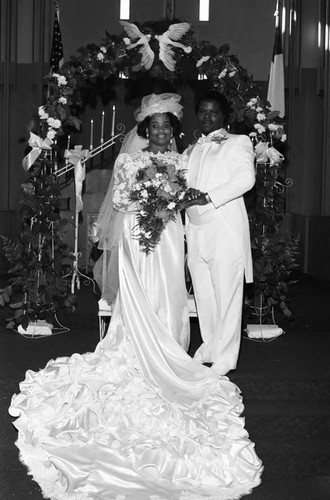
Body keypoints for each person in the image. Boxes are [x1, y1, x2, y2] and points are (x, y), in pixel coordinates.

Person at [9, 93, 262, 500]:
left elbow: (201, 190)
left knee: (179, 294)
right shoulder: (134, 159)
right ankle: (154, 350)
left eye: (167, 125)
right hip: (143, 235)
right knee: (158, 294)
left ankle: (192, 353)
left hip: (179, 236)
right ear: (145, 129)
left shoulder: (192, 155)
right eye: (155, 126)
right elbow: (122, 198)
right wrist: (150, 202)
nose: (161, 131)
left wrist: (167, 202)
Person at [184, 90, 255, 376]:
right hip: (195, 231)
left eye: (213, 112)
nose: (207, 116)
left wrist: (208, 197)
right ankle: (210, 347)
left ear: (224, 115)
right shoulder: (192, 148)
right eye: (202, 111)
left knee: (226, 294)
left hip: (223, 230)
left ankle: (226, 357)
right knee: (204, 295)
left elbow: (245, 179)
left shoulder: (238, 142)